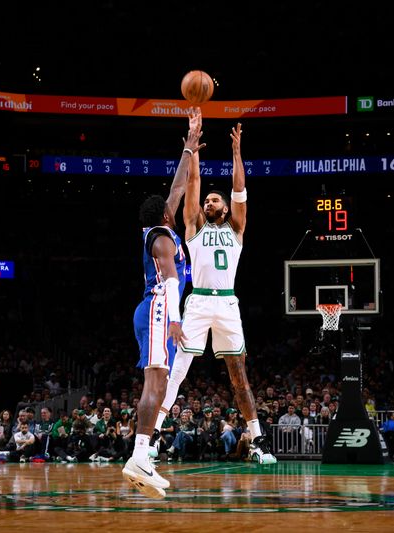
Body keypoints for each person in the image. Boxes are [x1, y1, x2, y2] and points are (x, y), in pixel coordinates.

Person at [155, 121, 277, 466]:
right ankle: (155, 438)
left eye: (214, 200)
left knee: (239, 374)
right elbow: (193, 184)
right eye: (207, 200)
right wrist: (192, 152)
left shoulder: (237, 227)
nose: (209, 202)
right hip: (198, 301)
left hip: (227, 302)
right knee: (178, 368)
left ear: (224, 207)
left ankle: (258, 440)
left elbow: (240, 188)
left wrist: (237, 152)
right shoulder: (193, 226)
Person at [122, 108, 204, 499]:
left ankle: (142, 455)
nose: (176, 202)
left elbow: (177, 187)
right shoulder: (163, 238)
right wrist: (173, 320)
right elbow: (171, 281)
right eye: (171, 204)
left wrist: (189, 148)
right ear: (166, 215)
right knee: (156, 383)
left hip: (154, 310)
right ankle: (138, 455)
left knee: (159, 382)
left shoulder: (158, 226)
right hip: (158, 308)